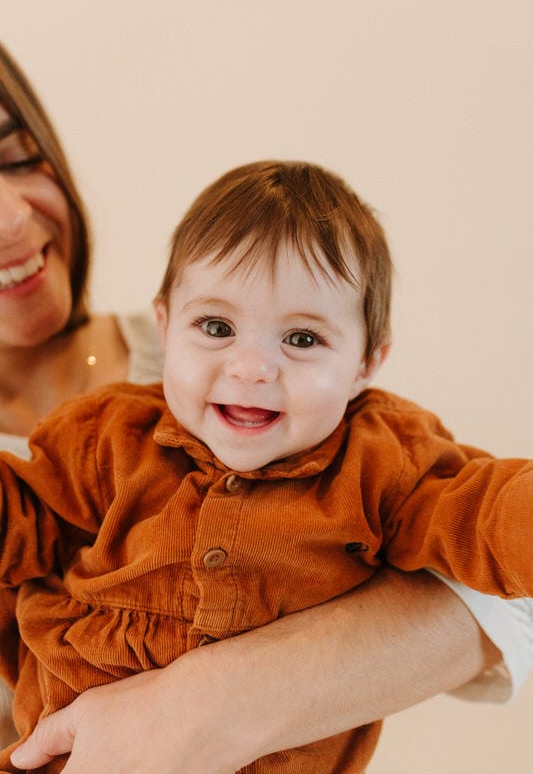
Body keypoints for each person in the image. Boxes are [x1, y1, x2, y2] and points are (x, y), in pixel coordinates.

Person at [0, 39, 530, 774]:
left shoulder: (378, 454)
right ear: (169, 320)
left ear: (366, 362)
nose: (250, 368)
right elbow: (22, 513)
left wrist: (212, 704)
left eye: (302, 338)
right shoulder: (105, 439)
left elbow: (487, 535)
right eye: (216, 328)